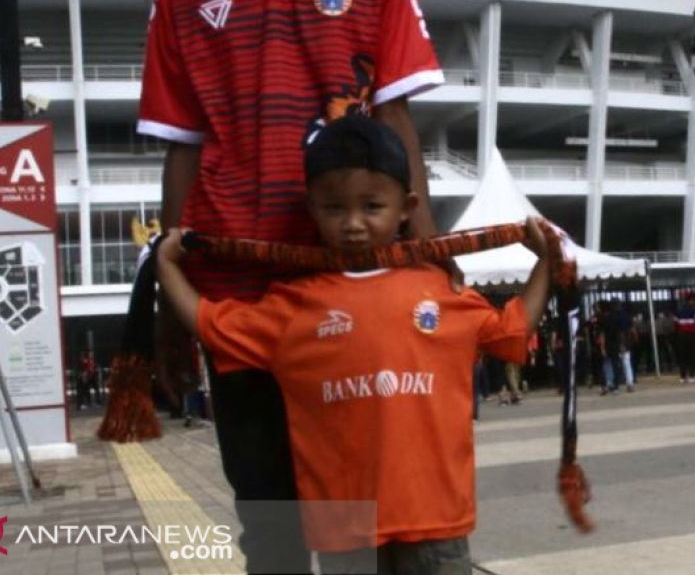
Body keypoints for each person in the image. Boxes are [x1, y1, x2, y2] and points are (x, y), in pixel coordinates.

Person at [136, 0, 445, 570]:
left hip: (352, 285)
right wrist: (175, 304)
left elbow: (398, 122)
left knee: (355, 512)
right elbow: (183, 146)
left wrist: (428, 261)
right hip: (237, 289)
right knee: (267, 515)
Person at [155, 114, 553, 573]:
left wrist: (544, 263)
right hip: (345, 530)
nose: (354, 224)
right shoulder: (292, 307)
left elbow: (511, 332)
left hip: (435, 517)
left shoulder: (440, 292)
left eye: (371, 206)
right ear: (311, 209)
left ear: (407, 207)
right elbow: (211, 324)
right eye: (334, 208)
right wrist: (167, 269)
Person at [674, 294, 695, 383]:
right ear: (692, 301)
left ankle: (682, 377)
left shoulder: (678, 311)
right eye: (694, 300)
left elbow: (675, 324)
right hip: (692, 335)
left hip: (681, 335)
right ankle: (691, 376)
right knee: (692, 355)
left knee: (682, 355)